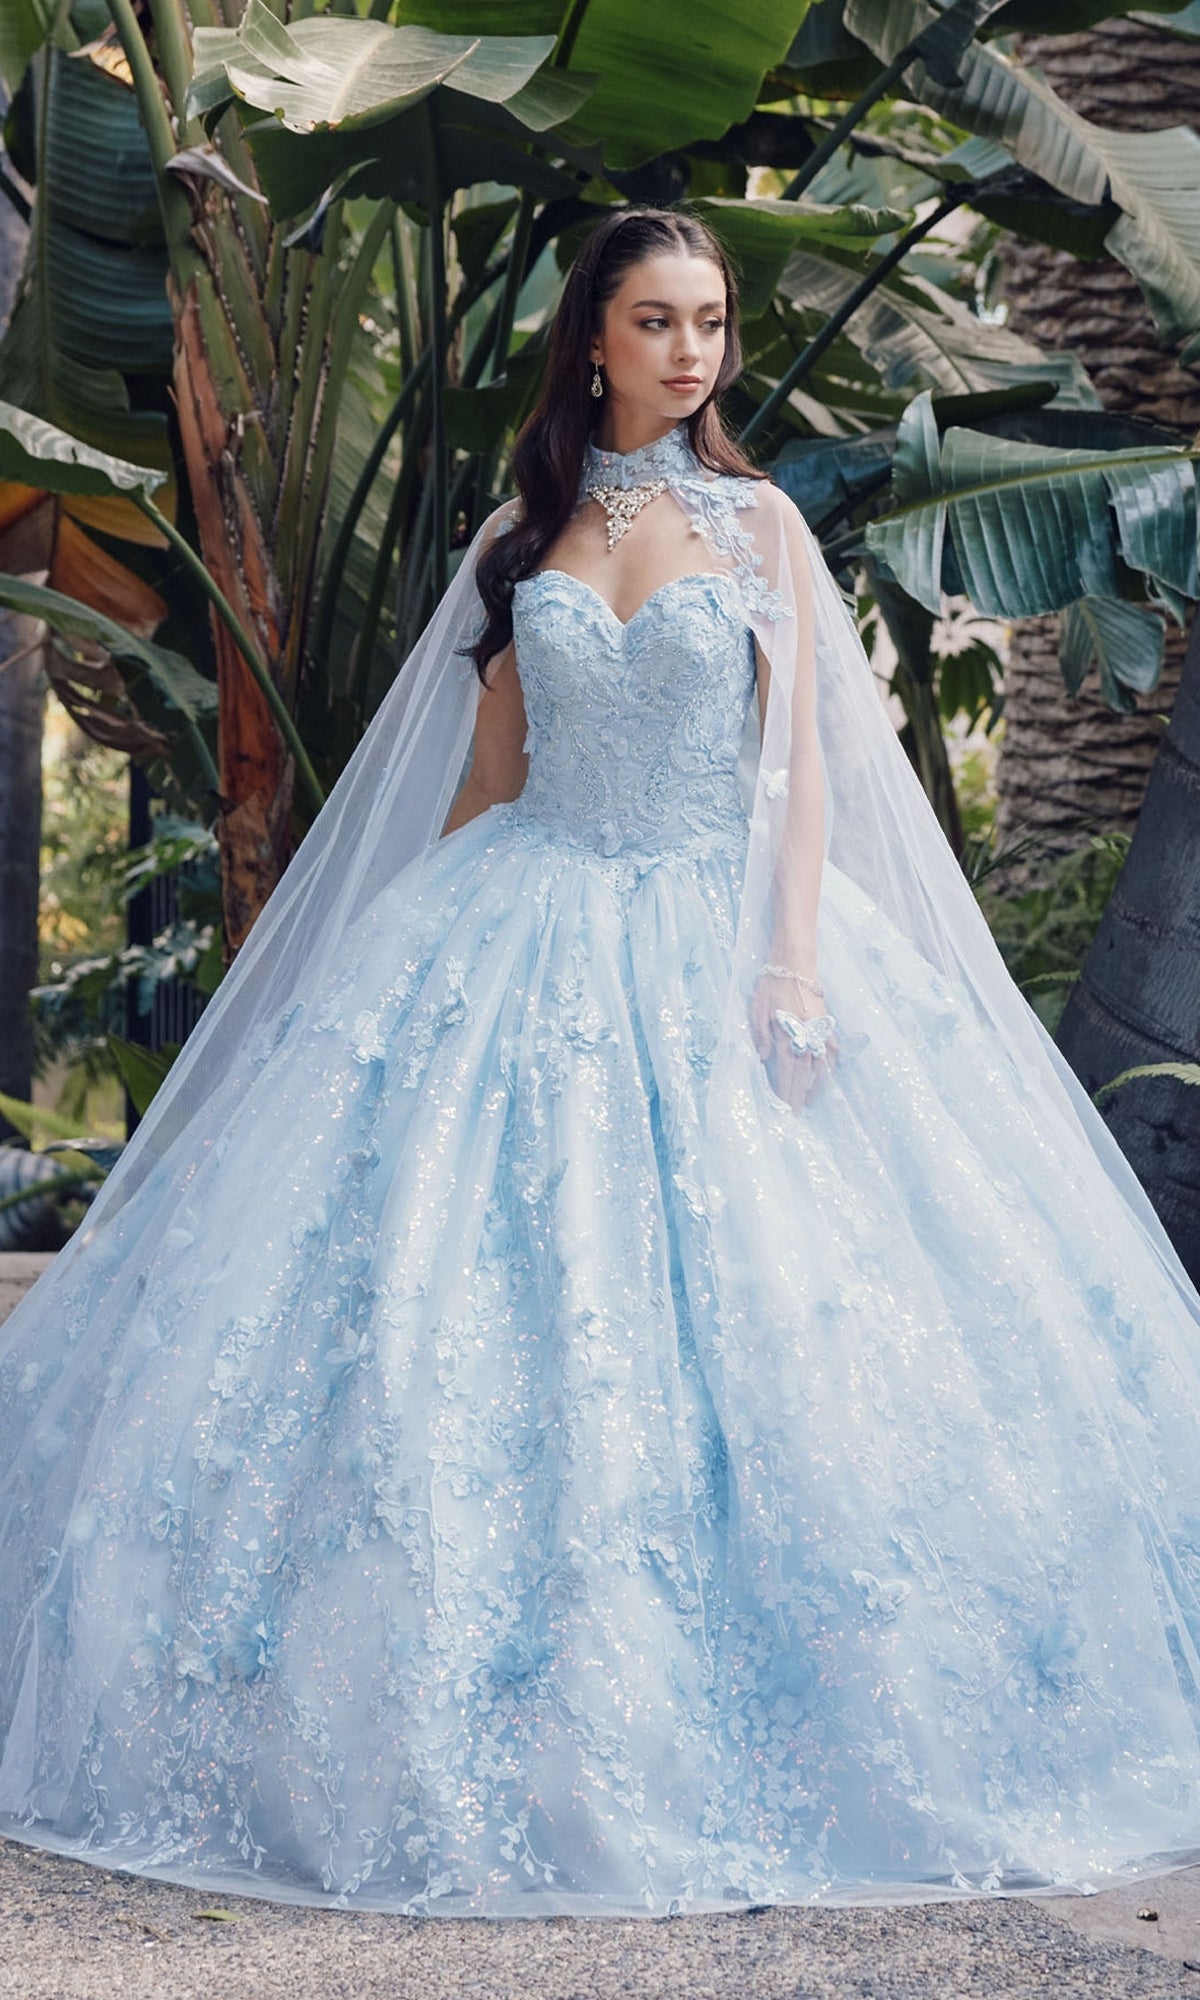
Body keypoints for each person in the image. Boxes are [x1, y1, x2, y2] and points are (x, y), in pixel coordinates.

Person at [2, 204, 1200, 1921]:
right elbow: (494, 773)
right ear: (595, 342)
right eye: (660, 321)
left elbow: (796, 772)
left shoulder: (763, 524)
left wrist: (789, 957)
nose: (696, 351)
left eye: (711, 321)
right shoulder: (525, 534)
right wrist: (387, 955)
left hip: (726, 925)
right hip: (527, 912)